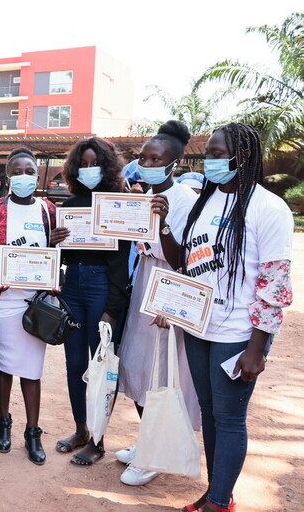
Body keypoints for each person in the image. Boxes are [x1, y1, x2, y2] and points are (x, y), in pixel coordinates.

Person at [154, 123, 293, 512]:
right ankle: (218, 492)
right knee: (210, 411)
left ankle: (217, 503)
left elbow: (274, 283)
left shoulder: (268, 208)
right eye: (208, 154)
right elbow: (185, 261)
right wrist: (164, 225)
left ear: (242, 157)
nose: (209, 161)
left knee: (230, 417)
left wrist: (257, 348)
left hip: (238, 333)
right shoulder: (207, 200)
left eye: (217, 154)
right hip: (199, 326)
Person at [115, 121, 201, 486]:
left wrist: (163, 223)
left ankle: (153, 455)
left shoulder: (185, 201)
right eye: (143, 157)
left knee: (161, 374)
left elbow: (184, 259)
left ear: (174, 164)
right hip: (142, 287)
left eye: (156, 159)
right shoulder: (140, 194)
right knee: (136, 367)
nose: (147, 163)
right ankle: (145, 441)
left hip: (168, 288)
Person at [0, 148, 68, 465]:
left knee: (31, 371)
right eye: (17, 171)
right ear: (8, 175)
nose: (23, 176)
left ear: (37, 175)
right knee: (3, 366)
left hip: (35, 302)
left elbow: (54, 256)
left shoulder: (48, 210)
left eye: (29, 171)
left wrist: (55, 244)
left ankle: (32, 431)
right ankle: (3, 422)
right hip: (4, 298)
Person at [56, 137, 131, 466]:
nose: (88, 170)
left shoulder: (119, 203)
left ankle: (99, 441)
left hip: (103, 285)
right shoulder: (70, 206)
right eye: (82, 164)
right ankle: (81, 430)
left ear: (108, 166)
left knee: (101, 367)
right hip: (73, 284)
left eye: (94, 164)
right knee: (75, 364)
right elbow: (66, 254)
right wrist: (54, 241)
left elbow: (122, 261)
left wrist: (112, 309)